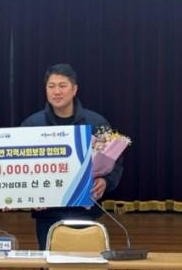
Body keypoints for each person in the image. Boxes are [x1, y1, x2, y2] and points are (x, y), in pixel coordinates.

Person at [21, 63, 124, 251]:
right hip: (48, 213)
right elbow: (20, 167)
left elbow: (115, 162)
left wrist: (105, 181)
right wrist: (29, 196)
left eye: (62, 86)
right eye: (51, 86)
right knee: (51, 264)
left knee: (87, 263)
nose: (56, 91)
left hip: (85, 211)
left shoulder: (97, 123)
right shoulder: (32, 125)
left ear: (74, 89)